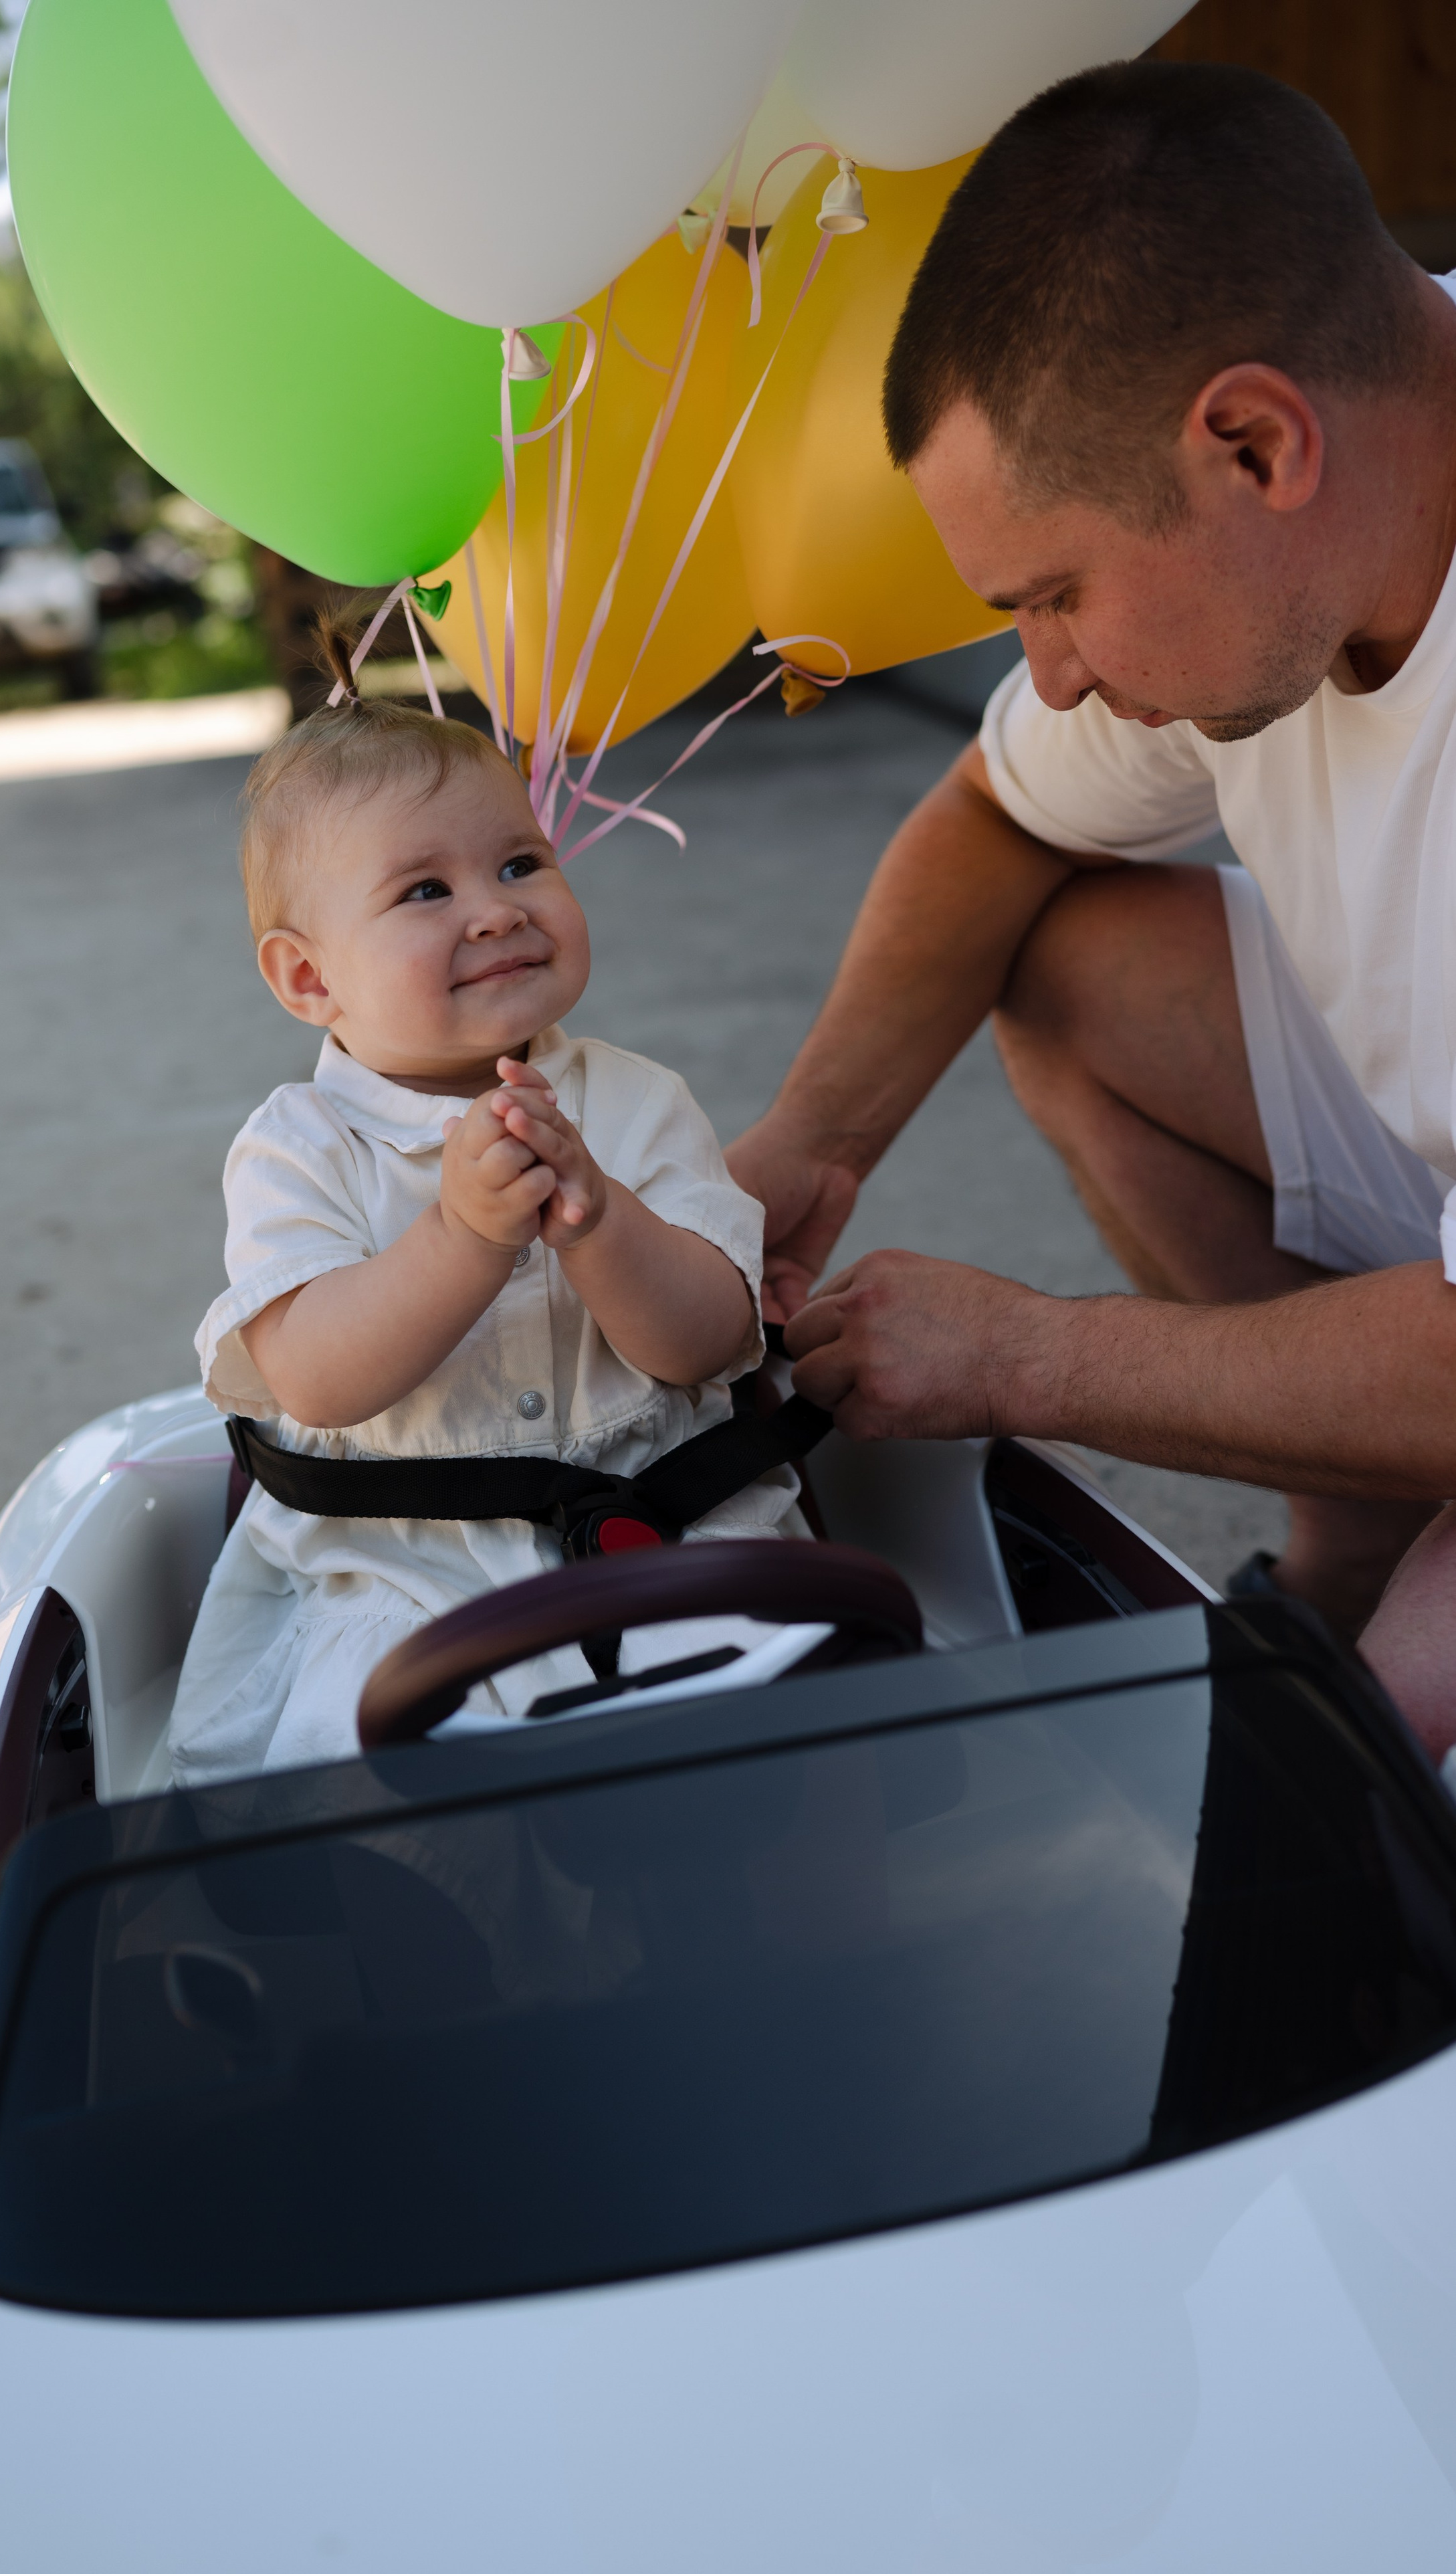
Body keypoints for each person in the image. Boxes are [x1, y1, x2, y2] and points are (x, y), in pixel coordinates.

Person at [727, 59, 1456, 1763]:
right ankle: (1351, 1504)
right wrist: (808, 1151)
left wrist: (1032, 1358)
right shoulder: (1320, 519)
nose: (1044, 672)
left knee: (1378, 1776)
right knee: (1059, 956)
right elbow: (987, 816)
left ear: (1254, 442)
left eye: (1052, 596)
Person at [168, 633, 793, 1783]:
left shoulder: (637, 1104)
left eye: (521, 865)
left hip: (667, 1533)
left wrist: (601, 1222)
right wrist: (457, 1240)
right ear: (310, 979)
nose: (497, 911)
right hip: (406, 1573)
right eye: (424, 890)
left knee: (781, 1736)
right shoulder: (301, 1150)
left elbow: (709, 1339)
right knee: (375, 1778)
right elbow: (315, 1375)